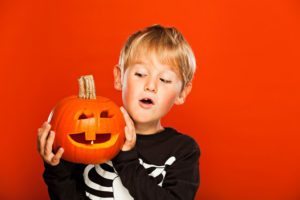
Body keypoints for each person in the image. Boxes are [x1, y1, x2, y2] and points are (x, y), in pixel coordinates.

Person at [37, 24, 200, 200]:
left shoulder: (183, 150)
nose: (151, 86)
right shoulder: (91, 136)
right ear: (119, 77)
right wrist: (57, 170)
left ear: (182, 93)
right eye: (140, 74)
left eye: (164, 79)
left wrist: (127, 159)